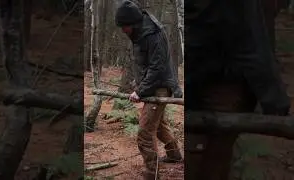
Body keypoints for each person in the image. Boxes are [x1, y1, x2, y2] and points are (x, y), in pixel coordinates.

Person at [186, 0, 291, 179]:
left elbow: (251, 38)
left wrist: (273, 98)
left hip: (218, 83)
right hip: (198, 79)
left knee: (210, 159)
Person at [115, 0, 183, 179]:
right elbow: (145, 66)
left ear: (133, 23)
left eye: (124, 26)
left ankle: (151, 173)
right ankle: (175, 155)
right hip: (153, 85)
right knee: (158, 127)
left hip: (160, 87)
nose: (123, 30)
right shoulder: (140, 32)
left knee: (145, 132)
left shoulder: (153, 34)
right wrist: (139, 85)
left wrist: (141, 90)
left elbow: (157, 67)